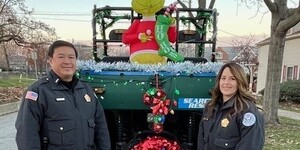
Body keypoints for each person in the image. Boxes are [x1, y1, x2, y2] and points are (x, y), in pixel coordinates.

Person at [15, 40, 111, 150]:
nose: (67, 61)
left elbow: (101, 129)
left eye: (71, 57)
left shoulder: (85, 89)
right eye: (61, 57)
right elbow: (26, 135)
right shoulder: (39, 91)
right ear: (51, 61)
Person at [197, 62, 264, 150]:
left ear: (240, 81)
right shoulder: (210, 108)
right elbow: (201, 142)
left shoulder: (247, 111)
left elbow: (250, 145)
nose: (226, 82)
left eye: (232, 79)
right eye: (223, 78)